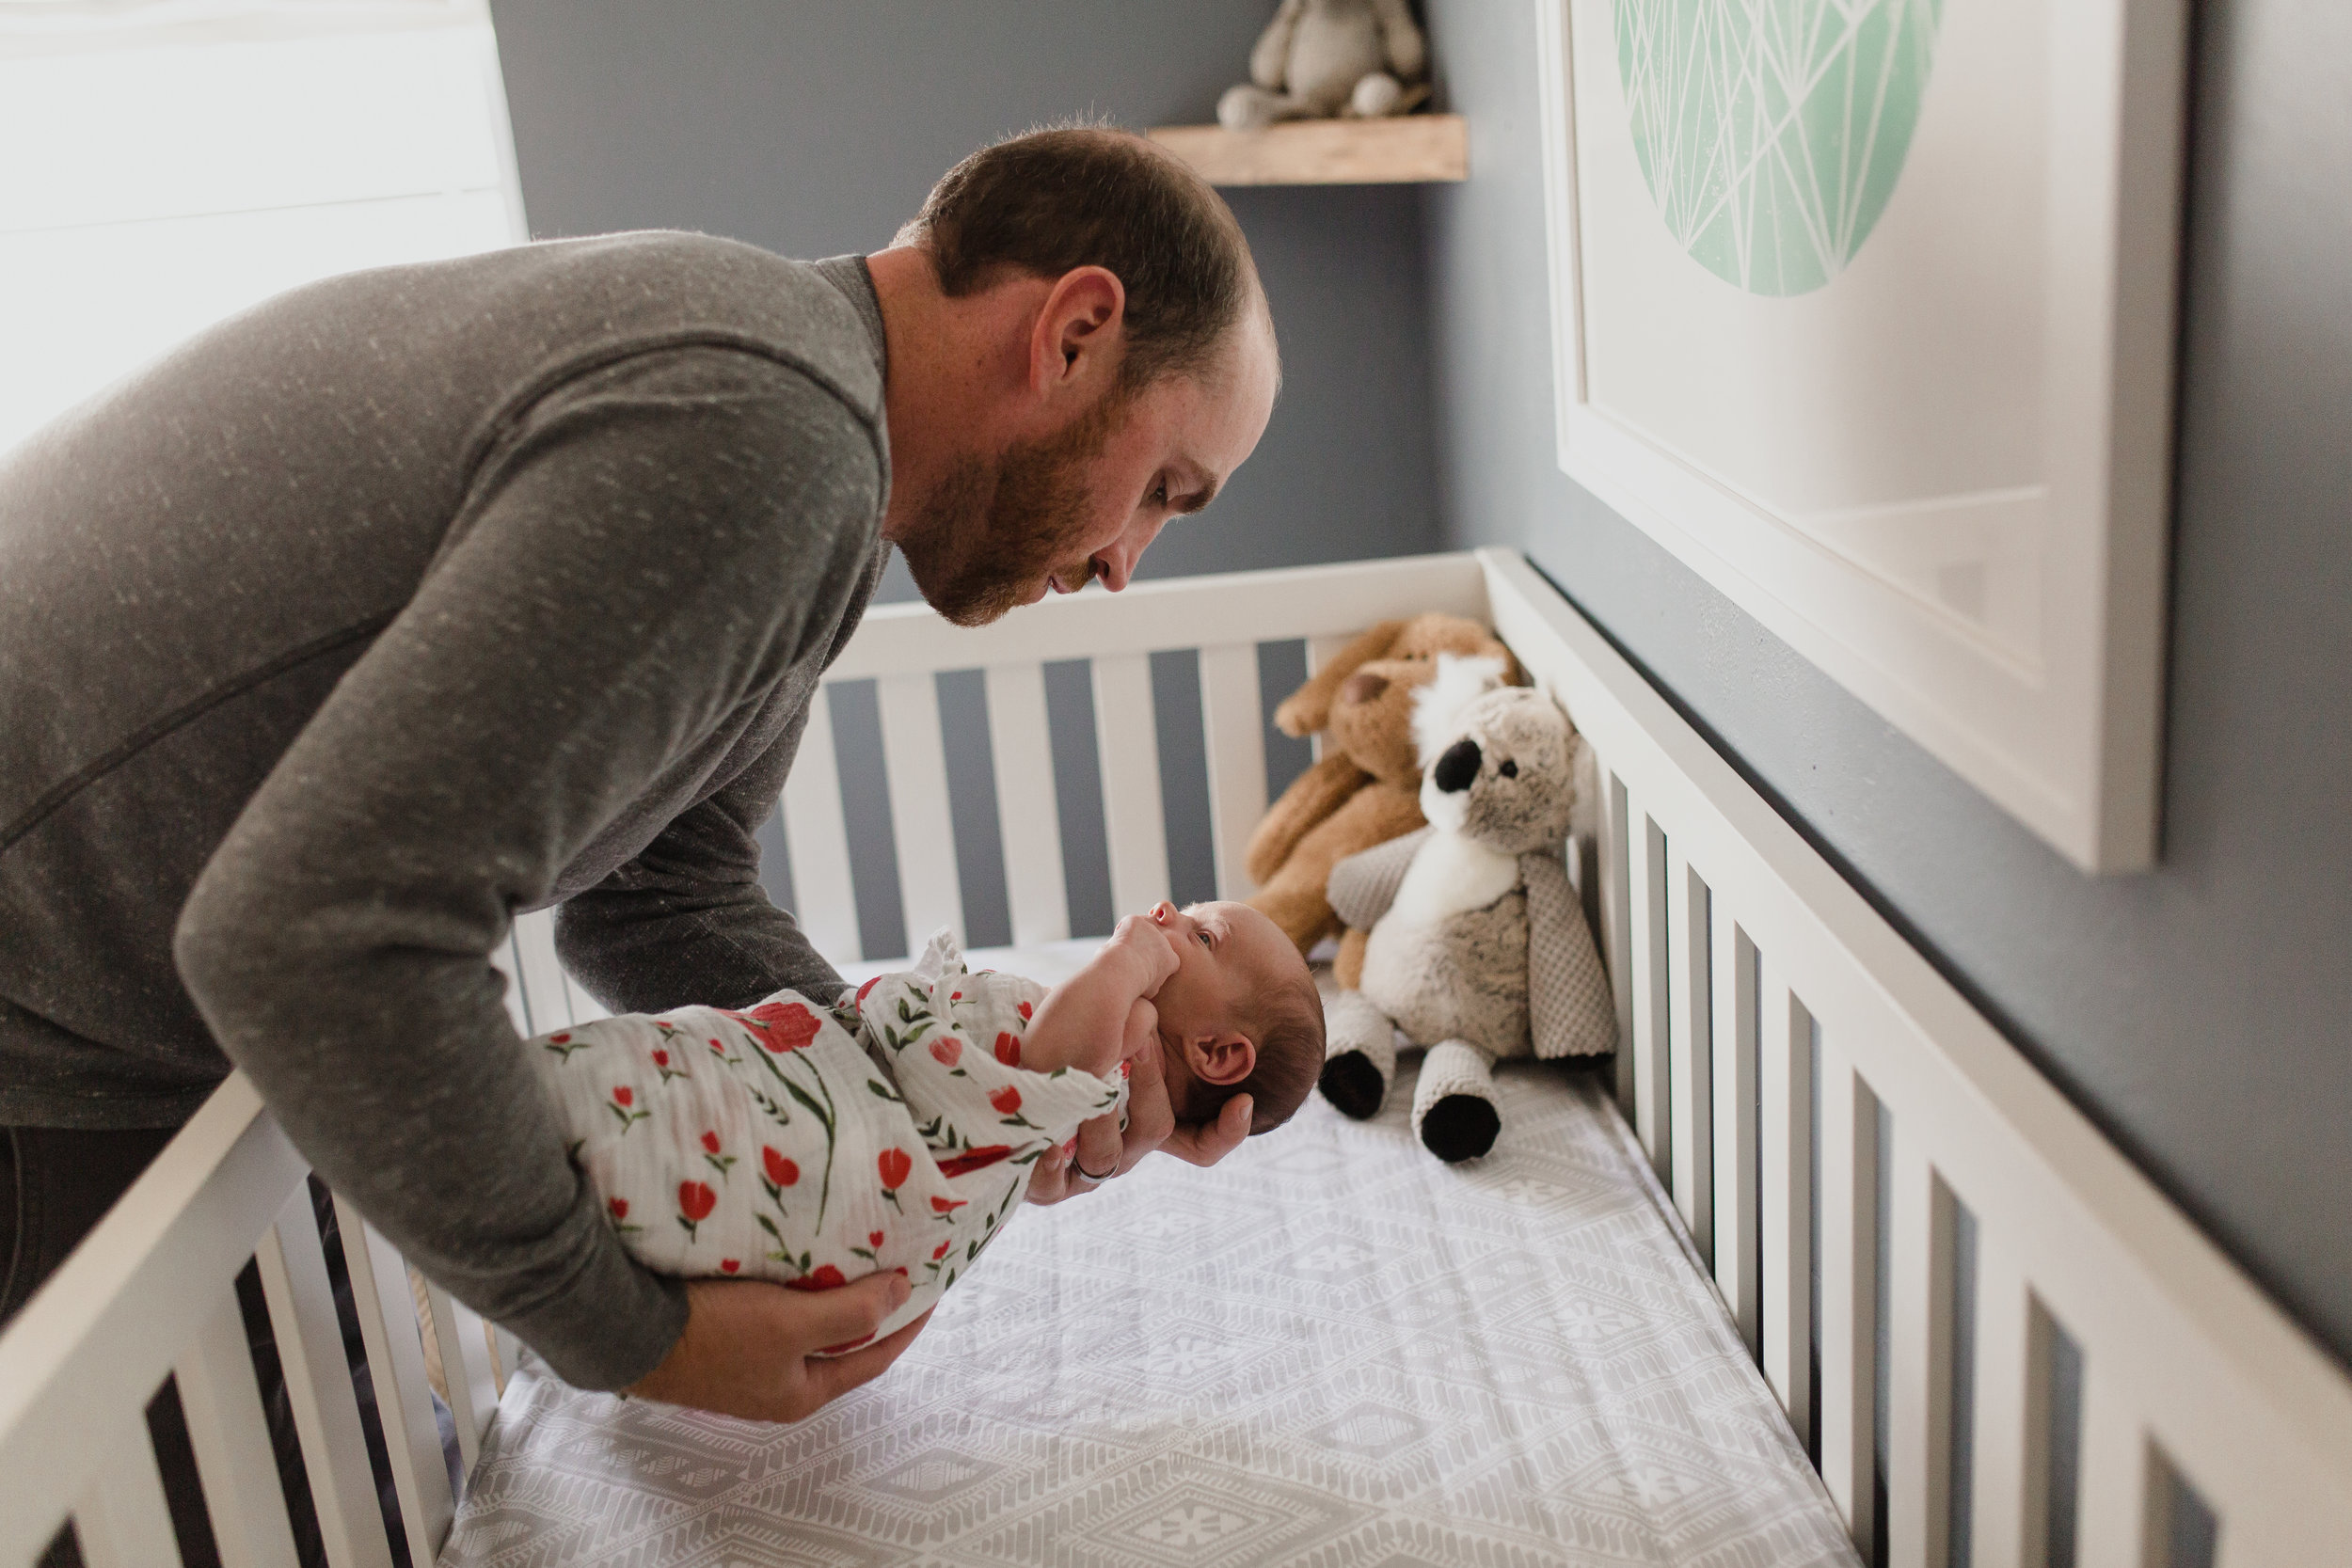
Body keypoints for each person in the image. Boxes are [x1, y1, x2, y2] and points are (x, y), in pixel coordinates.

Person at [0, 122, 1283, 1429]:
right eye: (1164, 488)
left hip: (127, 990)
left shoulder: (804, 410)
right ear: (1073, 332)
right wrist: (635, 1333)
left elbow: (660, 896)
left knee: (383, 1450)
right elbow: (309, 931)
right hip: (44, 1010)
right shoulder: (766, 441)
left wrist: (952, 1113)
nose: (1129, 562)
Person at [526, 901, 1323, 1398]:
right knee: (720, 1112)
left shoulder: (1116, 1051)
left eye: (1204, 932)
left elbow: (1041, 1066)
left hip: (872, 1159)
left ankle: (555, 1140)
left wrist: (1128, 959)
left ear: (1219, 1053)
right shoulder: (1114, 1056)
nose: (1168, 912)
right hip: (868, 1122)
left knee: (683, 1114)